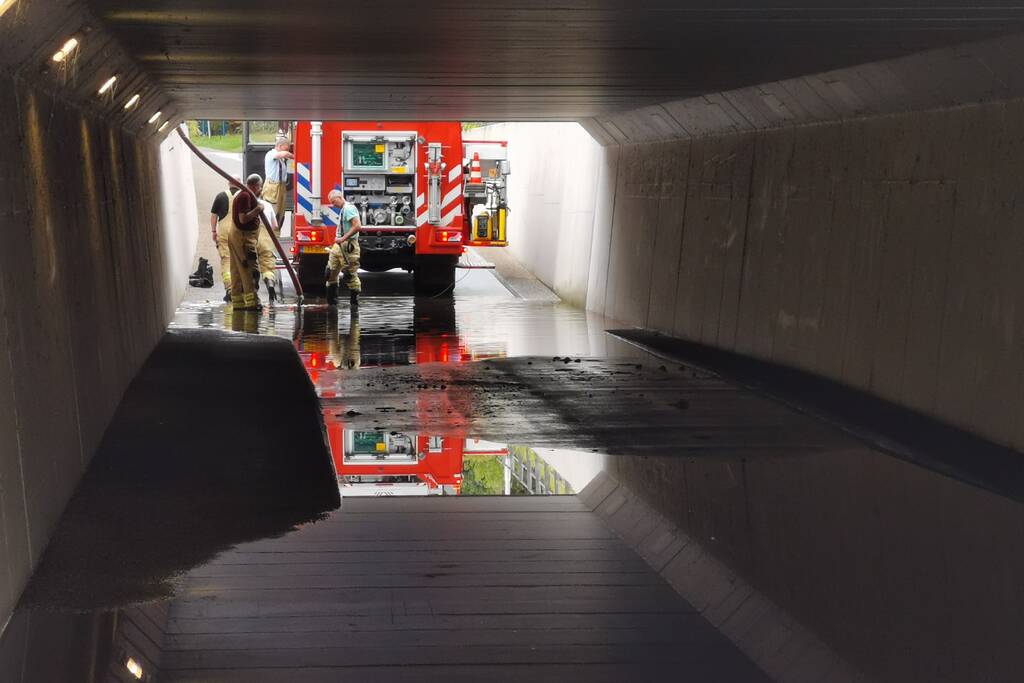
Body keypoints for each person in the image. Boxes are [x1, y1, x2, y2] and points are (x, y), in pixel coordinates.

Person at [228, 174, 266, 311]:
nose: (261, 190)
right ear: (255, 186)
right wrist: (258, 209)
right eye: (260, 187)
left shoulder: (244, 195)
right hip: (244, 239)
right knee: (250, 270)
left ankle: (238, 302)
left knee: (237, 271)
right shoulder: (245, 196)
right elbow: (243, 219)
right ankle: (252, 302)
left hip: (238, 237)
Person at [325, 189, 362, 307]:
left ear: (340, 198)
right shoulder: (343, 210)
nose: (333, 204)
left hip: (348, 245)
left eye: (334, 201)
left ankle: (354, 304)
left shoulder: (349, 209)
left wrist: (343, 238)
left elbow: (357, 226)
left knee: (350, 274)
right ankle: (332, 302)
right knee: (330, 272)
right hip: (338, 245)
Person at [210, 183, 240, 301]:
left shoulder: (220, 196)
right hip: (238, 232)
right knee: (239, 259)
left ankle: (229, 289)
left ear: (229, 184)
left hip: (224, 232)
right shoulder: (243, 196)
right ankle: (239, 288)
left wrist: (213, 231)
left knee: (226, 260)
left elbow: (213, 216)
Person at [262, 136, 293, 228]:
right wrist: (293, 156)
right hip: (273, 186)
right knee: (272, 210)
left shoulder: (281, 159)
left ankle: (276, 233)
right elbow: (282, 154)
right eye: (286, 148)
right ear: (279, 145)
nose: (288, 150)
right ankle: (270, 234)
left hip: (281, 186)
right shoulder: (271, 154)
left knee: (280, 212)